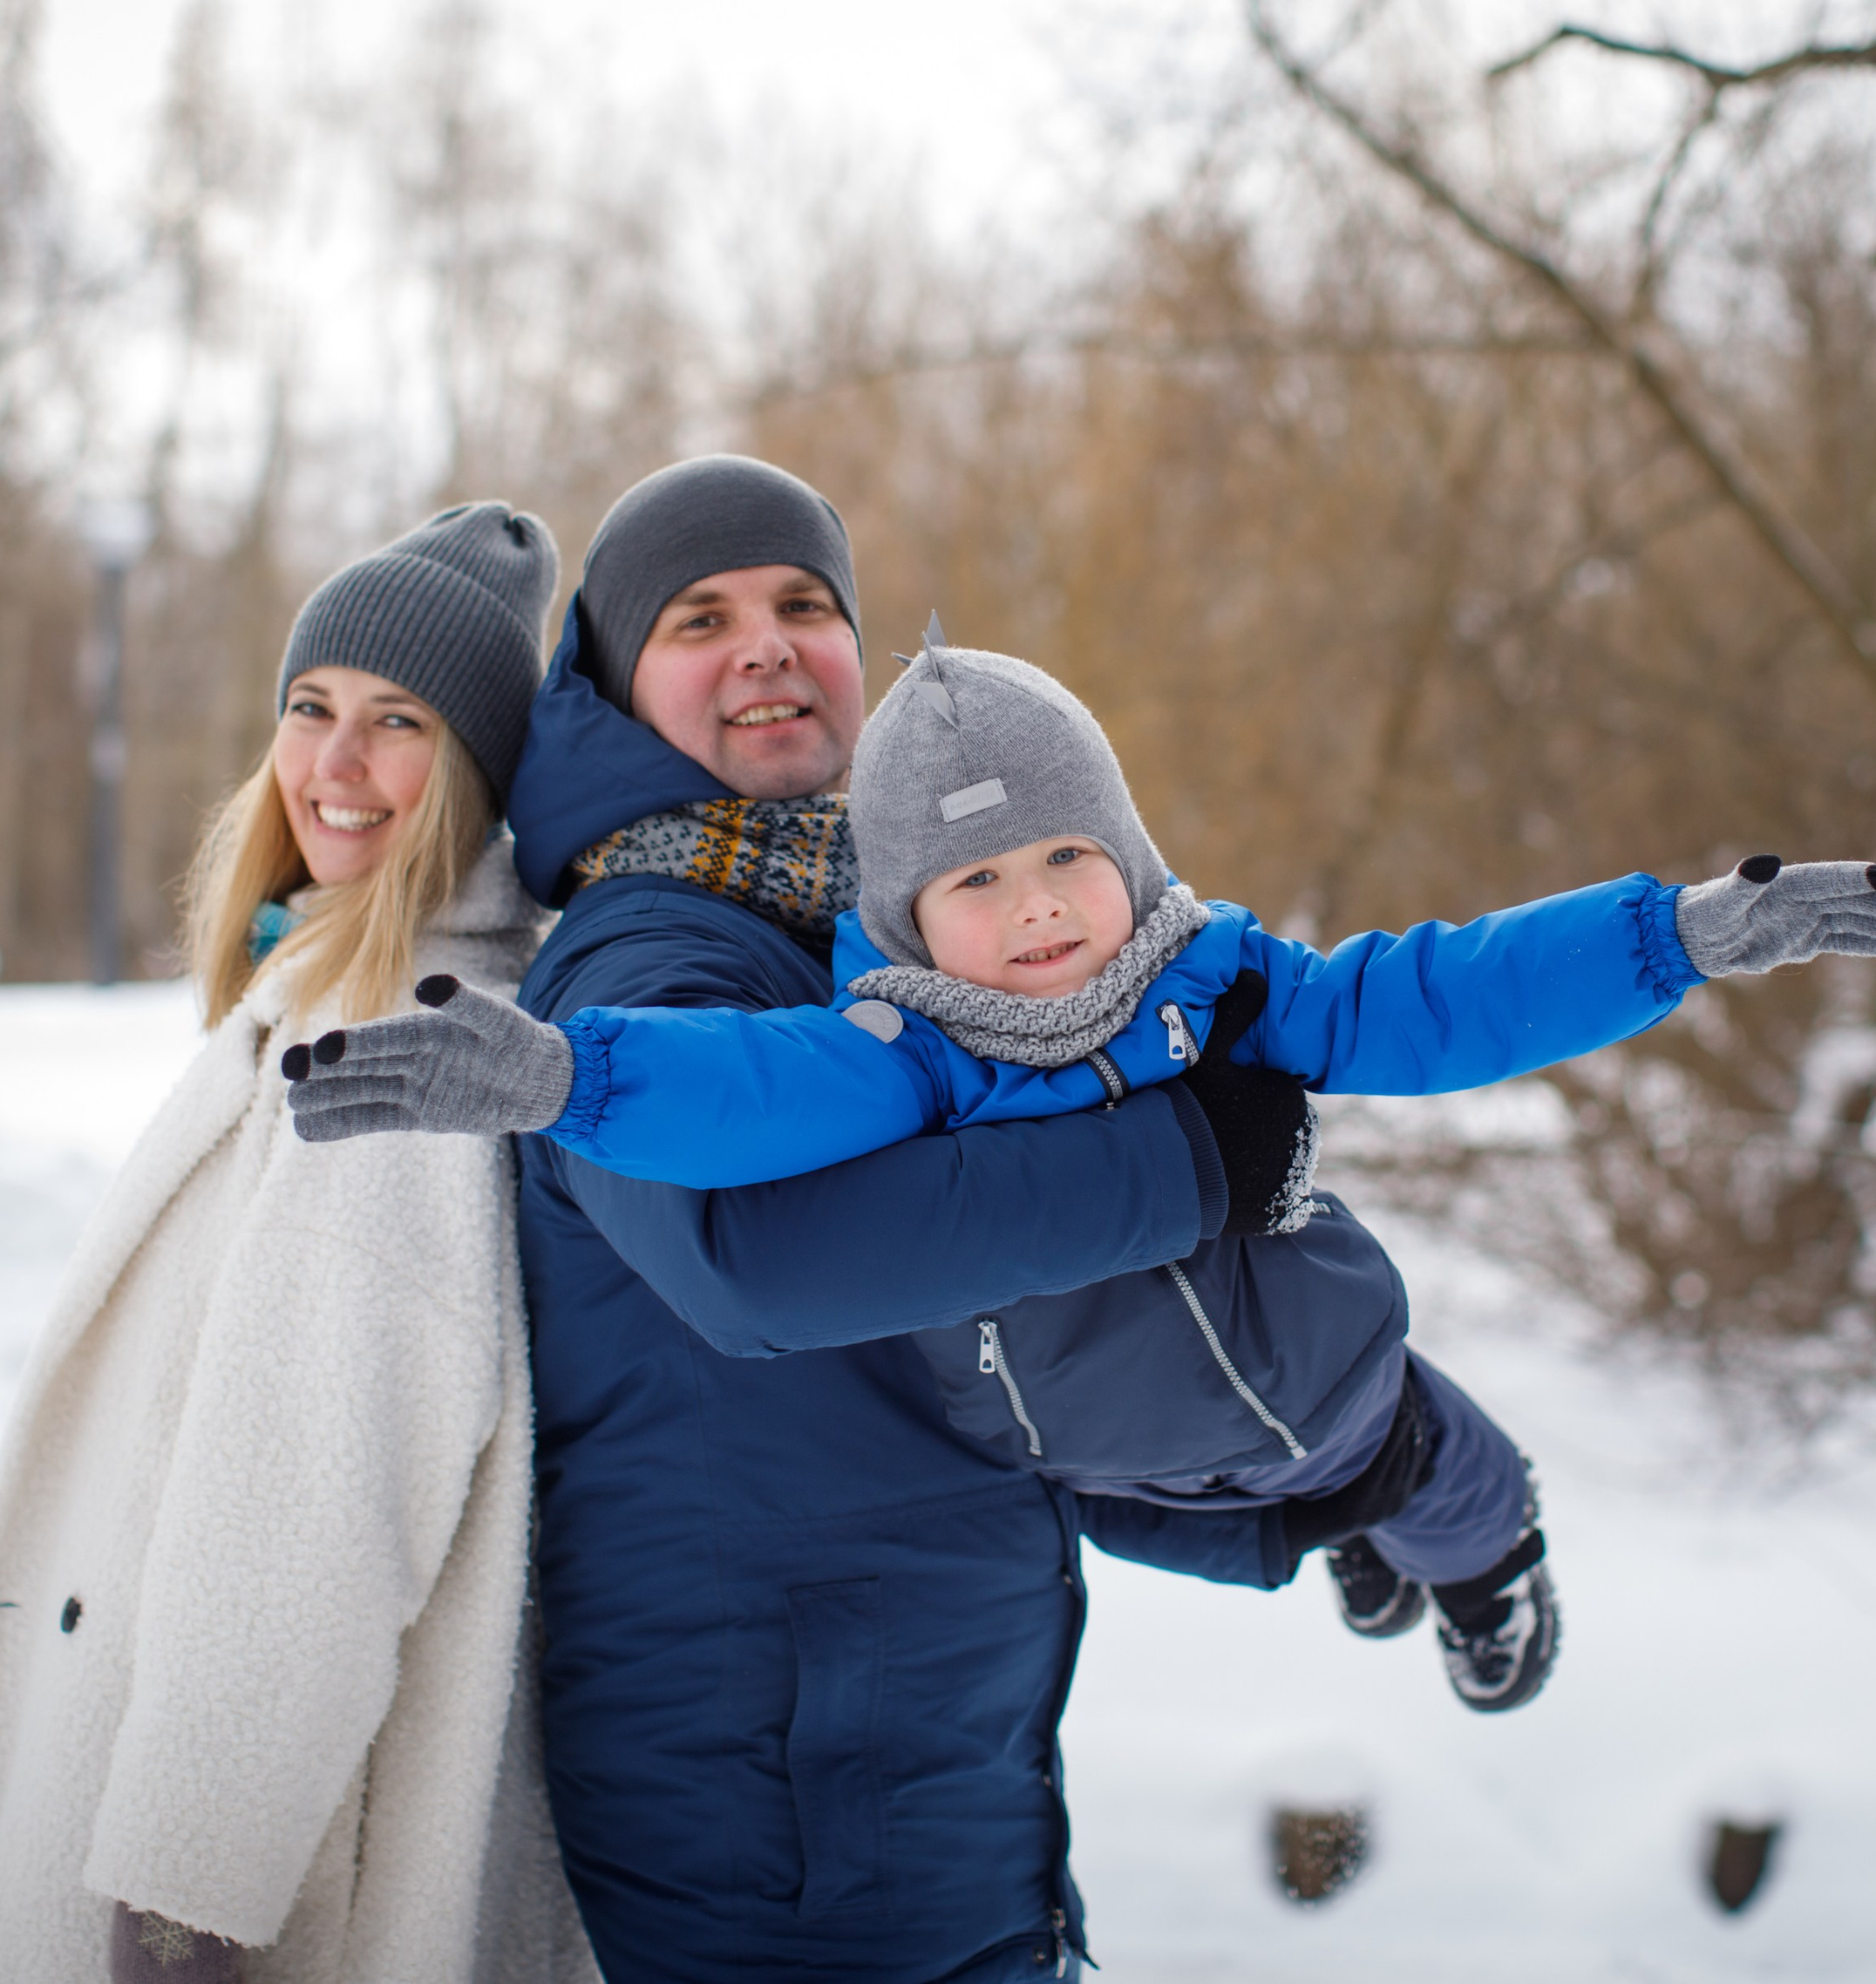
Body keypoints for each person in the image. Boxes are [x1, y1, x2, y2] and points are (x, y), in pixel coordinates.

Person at [288, 635, 1876, 1718]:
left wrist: (1675, 937)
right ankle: (1344, 1541)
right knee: (1279, 1531)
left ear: (1129, 854)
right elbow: (745, 1091)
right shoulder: (903, 1051)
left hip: (1333, 1377)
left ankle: (1488, 1565)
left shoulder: (1219, 986)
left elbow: (1435, 993)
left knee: (1417, 1476)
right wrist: (570, 1077)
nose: (1041, 907)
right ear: (911, 919)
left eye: (1070, 854)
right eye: (982, 879)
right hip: (1099, 1467)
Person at [343, 457, 1364, 1984]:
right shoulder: (648, 952)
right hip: (781, 1797)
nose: (765, 641)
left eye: (803, 604)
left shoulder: (890, 922)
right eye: (701, 617)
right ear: (619, 685)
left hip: (911, 1756)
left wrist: (1303, 1497)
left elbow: (958, 1355)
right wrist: (1195, 1161)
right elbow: (752, 1268)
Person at [0, 506, 597, 1984]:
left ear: (481, 777)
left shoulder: (392, 1046)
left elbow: (306, 1525)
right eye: (311, 711)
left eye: (401, 724)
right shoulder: (331, 977)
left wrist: (185, 1901)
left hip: (217, 1888)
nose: (335, 765)